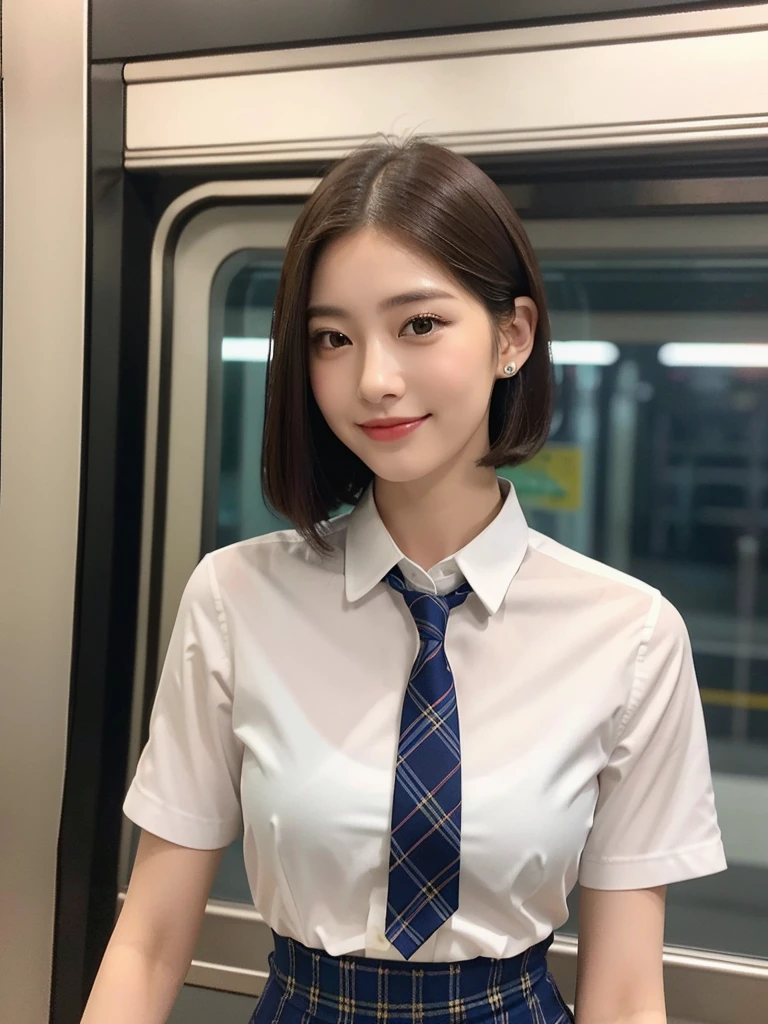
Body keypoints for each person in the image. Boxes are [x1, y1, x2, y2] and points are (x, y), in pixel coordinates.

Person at [82, 139, 727, 1024]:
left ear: (512, 336)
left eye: (419, 324)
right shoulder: (234, 599)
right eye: (332, 339)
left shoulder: (632, 633)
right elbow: (149, 944)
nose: (374, 379)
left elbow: (622, 993)